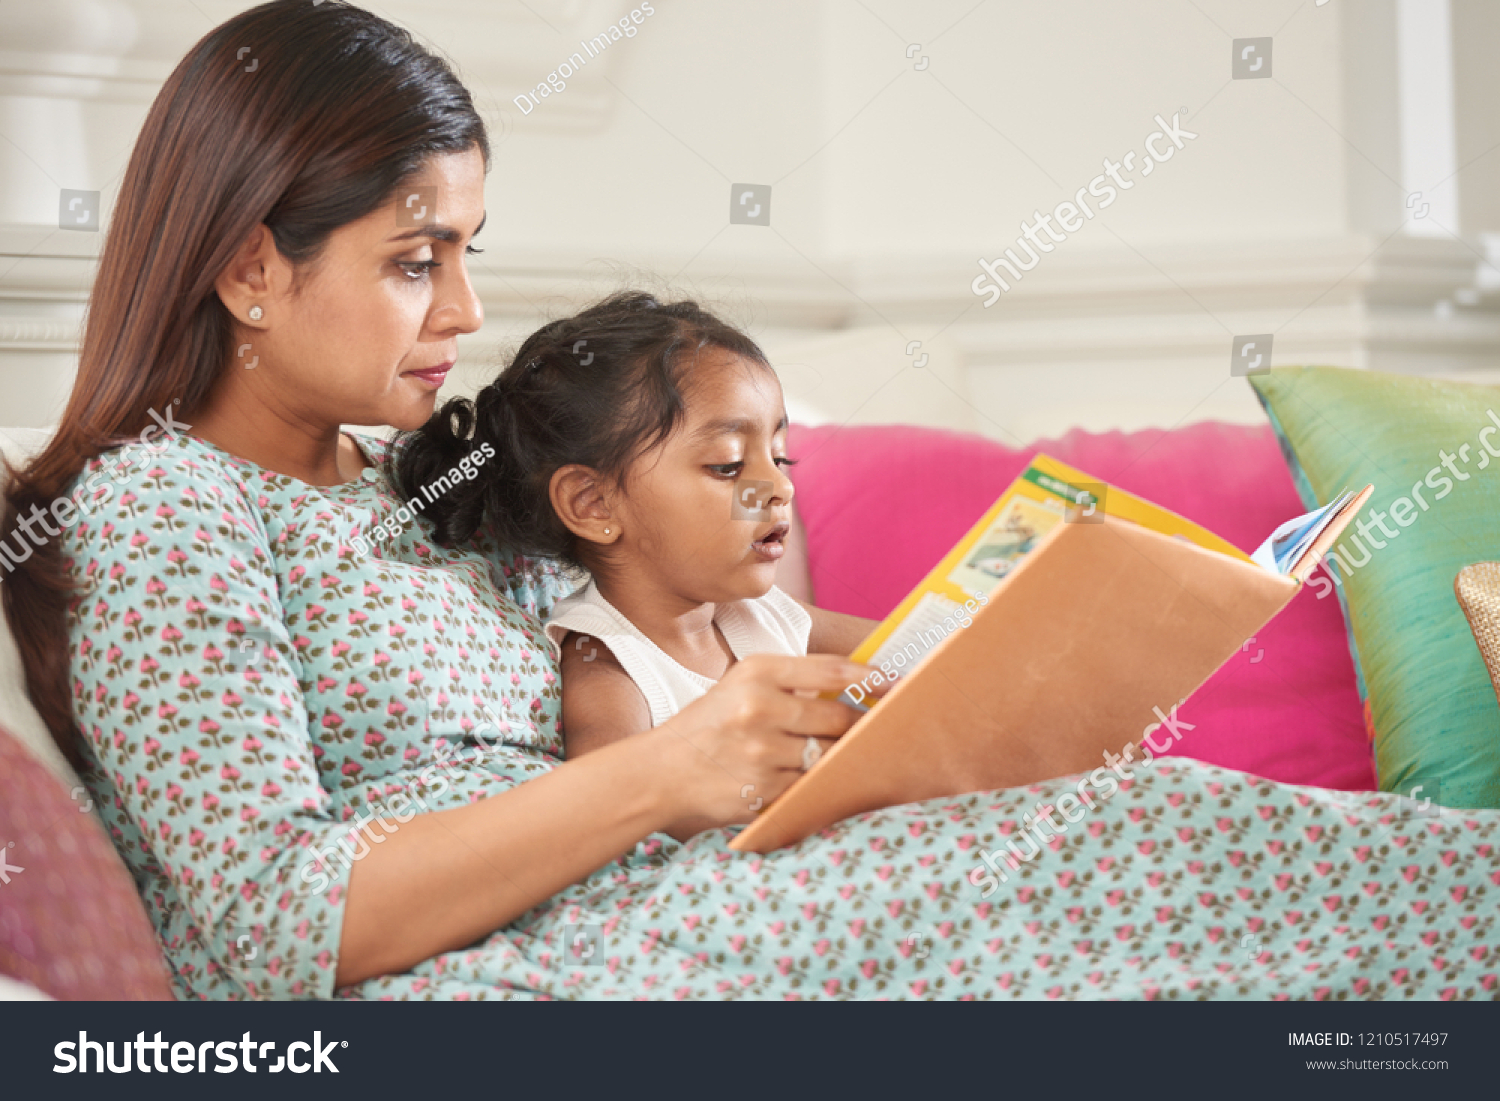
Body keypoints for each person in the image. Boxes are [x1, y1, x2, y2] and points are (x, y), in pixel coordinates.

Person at [4, 0, 1495, 1001]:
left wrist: (1012, 647)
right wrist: (667, 777)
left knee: (1128, 808)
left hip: (662, 896)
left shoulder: (428, 473)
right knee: (1103, 852)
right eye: (414, 260)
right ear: (252, 266)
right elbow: (269, 928)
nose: (465, 301)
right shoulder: (162, 512)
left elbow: (684, 615)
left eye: (467, 247)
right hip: (506, 978)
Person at [389, 292, 873, 776]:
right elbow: (614, 797)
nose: (781, 487)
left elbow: (923, 652)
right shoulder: (605, 662)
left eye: (780, 456)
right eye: (728, 465)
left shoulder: (768, 617)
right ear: (593, 503)